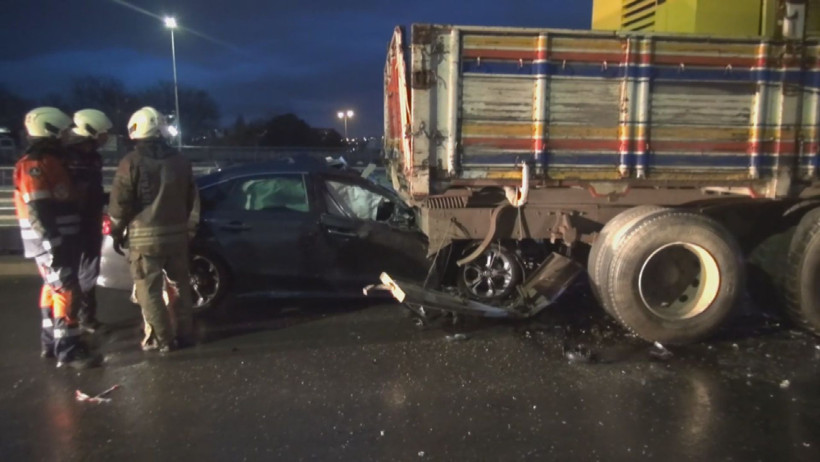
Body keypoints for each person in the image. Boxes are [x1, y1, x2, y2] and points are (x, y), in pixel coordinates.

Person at [14, 107, 102, 369]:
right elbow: (38, 209)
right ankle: (69, 349)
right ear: (49, 130)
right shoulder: (36, 165)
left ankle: (51, 342)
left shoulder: (50, 161)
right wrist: (52, 243)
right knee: (66, 289)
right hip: (52, 241)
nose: (66, 136)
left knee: (53, 289)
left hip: (58, 239)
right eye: (62, 131)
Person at [108, 106, 198, 353]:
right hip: (178, 238)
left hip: (145, 242)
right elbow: (191, 198)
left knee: (151, 292)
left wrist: (116, 232)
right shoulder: (180, 160)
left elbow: (120, 205)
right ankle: (186, 334)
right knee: (180, 288)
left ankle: (163, 340)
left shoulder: (131, 163)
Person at [64, 109, 112, 333]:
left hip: (89, 221)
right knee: (68, 275)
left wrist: (107, 199)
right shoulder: (66, 156)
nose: (107, 137)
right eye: (104, 132)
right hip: (70, 223)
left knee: (88, 272)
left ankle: (86, 317)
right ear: (91, 131)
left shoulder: (92, 156)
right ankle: (68, 323)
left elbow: (93, 190)